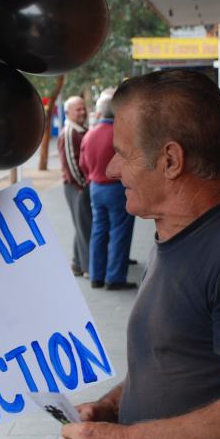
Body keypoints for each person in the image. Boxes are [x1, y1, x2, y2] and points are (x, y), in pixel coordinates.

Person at [56, 70, 220, 439]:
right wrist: (113, 407)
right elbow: (178, 360)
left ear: (171, 160)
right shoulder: (174, 235)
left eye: (123, 154)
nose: (111, 170)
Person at [80, 92, 135, 290]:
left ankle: (96, 275)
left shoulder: (90, 134)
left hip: (95, 187)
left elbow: (82, 163)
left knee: (98, 231)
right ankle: (115, 277)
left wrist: (91, 177)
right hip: (116, 188)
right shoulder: (120, 134)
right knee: (119, 231)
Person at [57, 96, 92, 277]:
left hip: (79, 185)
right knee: (85, 227)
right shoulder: (69, 132)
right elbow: (71, 162)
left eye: (83, 108)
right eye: (78, 109)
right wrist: (83, 185)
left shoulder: (80, 130)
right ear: (68, 112)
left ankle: (78, 263)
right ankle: (87, 268)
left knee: (82, 225)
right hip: (76, 186)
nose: (82, 112)